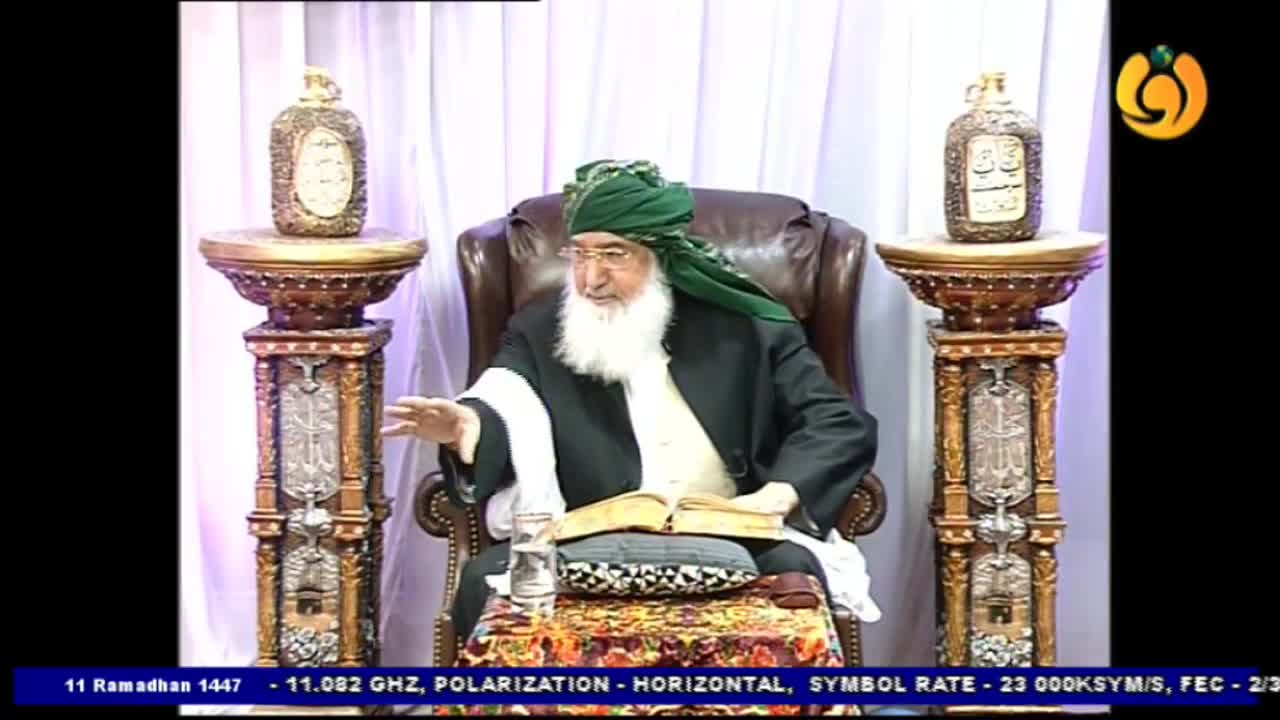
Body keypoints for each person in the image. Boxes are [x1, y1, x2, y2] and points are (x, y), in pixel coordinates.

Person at [383, 159, 881, 644]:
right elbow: (504, 399)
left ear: (661, 257)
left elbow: (837, 421)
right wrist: (465, 427)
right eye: (579, 255)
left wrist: (776, 496)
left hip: (732, 535)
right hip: (582, 537)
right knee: (482, 584)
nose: (589, 280)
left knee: (797, 579)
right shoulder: (538, 330)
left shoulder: (748, 326)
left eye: (613, 255)